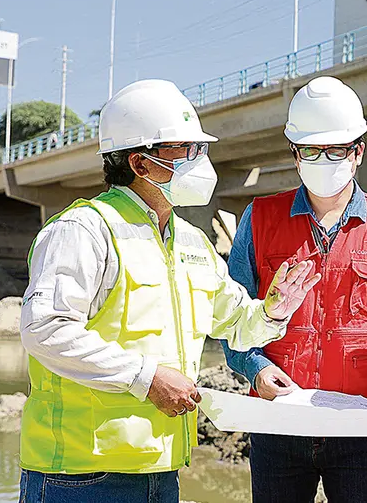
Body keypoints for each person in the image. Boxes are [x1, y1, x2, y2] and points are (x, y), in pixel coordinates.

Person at [17, 79, 320, 503]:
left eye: (201, 148)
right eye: (185, 149)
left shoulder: (192, 242)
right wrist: (147, 378)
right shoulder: (84, 229)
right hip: (82, 473)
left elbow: (236, 325)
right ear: (140, 164)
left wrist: (273, 310)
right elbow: (45, 329)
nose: (200, 161)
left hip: (162, 468)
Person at [221, 76, 367, 503]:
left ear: (358, 153)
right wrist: (255, 370)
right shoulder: (259, 218)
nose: (324, 159)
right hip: (279, 426)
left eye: (336, 150)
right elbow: (232, 319)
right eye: (312, 150)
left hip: (362, 427)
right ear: (295, 156)